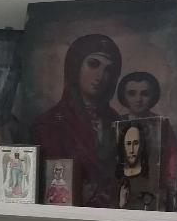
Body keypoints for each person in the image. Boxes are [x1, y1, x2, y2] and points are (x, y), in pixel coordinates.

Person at [33, 34, 122, 207]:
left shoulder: (118, 122)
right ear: (75, 66)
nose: (100, 76)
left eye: (108, 70)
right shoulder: (48, 124)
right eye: (93, 64)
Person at [116, 71, 177, 200]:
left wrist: (169, 184)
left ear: (153, 95)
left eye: (145, 94)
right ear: (123, 95)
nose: (138, 99)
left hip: (155, 188)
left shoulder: (162, 124)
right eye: (132, 93)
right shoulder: (117, 124)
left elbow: (172, 156)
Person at [115, 121, 157, 210]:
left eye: (136, 143)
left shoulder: (151, 178)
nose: (131, 150)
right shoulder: (116, 178)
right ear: (123, 146)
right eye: (128, 144)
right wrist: (121, 204)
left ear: (142, 145)